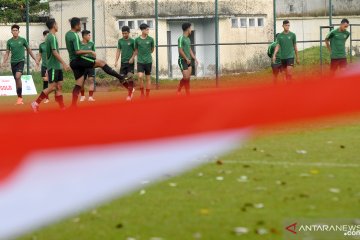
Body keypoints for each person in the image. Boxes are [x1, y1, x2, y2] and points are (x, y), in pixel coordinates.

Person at [65, 17, 128, 107]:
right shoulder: (74, 35)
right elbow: (77, 52)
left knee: (78, 84)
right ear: (76, 25)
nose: (80, 27)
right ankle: (120, 77)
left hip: (72, 62)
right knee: (101, 62)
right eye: (80, 25)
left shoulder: (67, 34)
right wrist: (90, 51)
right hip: (78, 60)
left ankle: (73, 106)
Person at [31, 19, 70, 113]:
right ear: (53, 25)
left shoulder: (53, 36)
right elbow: (54, 52)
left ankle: (62, 107)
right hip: (53, 66)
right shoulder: (51, 37)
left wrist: (61, 64)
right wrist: (64, 63)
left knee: (59, 86)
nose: (58, 26)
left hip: (57, 66)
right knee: (52, 87)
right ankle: (35, 103)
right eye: (56, 24)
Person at [2, 24, 39, 105]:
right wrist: (3, 62)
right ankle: (19, 98)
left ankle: (20, 98)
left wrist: (35, 59)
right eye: (13, 30)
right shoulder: (9, 41)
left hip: (21, 61)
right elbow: (7, 53)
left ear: (18, 31)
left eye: (16, 30)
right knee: (16, 79)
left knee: (18, 76)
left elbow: (29, 50)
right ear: (11, 31)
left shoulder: (23, 40)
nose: (15, 32)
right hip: (13, 62)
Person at [115, 26, 136, 101]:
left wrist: (132, 58)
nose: (124, 35)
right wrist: (116, 61)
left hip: (130, 62)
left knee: (130, 77)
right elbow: (118, 51)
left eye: (125, 33)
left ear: (129, 32)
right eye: (123, 33)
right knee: (121, 79)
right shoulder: (120, 41)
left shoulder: (132, 41)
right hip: (123, 63)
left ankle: (129, 96)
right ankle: (131, 89)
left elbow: (135, 51)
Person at [177, 22, 198, 96]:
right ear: (188, 29)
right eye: (190, 28)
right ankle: (180, 89)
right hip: (182, 60)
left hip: (189, 60)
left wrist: (194, 58)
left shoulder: (188, 39)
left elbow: (189, 49)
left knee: (188, 78)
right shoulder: (181, 38)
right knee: (185, 77)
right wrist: (186, 58)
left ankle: (187, 93)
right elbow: (180, 50)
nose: (191, 29)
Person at [134, 23, 155, 98]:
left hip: (148, 61)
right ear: (142, 30)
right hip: (140, 61)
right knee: (140, 76)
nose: (148, 30)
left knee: (148, 78)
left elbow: (152, 49)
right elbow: (136, 50)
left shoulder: (151, 39)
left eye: (148, 29)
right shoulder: (137, 40)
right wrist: (132, 57)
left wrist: (147, 55)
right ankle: (142, 93)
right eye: (147, 29)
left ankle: (147, 95)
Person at [79, 30, 96, 102]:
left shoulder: (91, 43)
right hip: (82, 65)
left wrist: (94, 59)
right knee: (82, 82)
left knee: (91, 80)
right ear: (84, 36)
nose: (90, 36)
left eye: (90, 35)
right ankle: (82, 96)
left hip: (90, 65)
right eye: (88, 35)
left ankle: (90, 97)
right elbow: (77, 53)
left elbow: (94, 54)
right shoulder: (79, 44)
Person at [37, 30, 50, 103]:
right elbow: (40, 55)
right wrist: (37, 62)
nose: (48, 37)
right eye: (46, 35)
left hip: (51, 66)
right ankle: (46, 98)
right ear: (44, 36)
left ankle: (58, 97)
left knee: (54, 84)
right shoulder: (41, 45)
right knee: (45, 81)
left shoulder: (52, 44)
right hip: (44, 66)